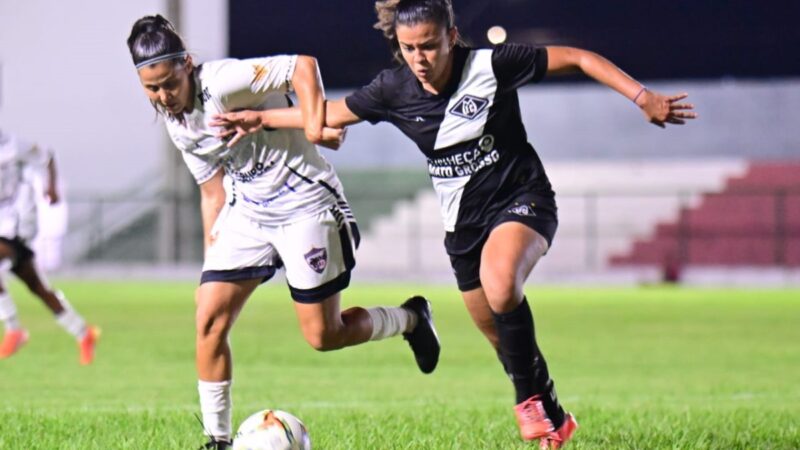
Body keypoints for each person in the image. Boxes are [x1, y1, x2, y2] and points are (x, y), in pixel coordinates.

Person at [211, 0, 698, 447]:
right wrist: (262, 117)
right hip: (462, 227)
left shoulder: (491, 65)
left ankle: (528, 406)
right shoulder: (393, 88)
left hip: (522, 199)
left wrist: (641, 97)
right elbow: (332, 112)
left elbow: (577, 56)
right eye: (408, 48)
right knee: (501, 339)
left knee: (501, 284)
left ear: (451, 36)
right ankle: (552, 412)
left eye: (428, 45)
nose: (419, 57)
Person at [126, 15, 440, 450]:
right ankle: (216, 440)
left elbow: (303, 67)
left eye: (169, 83)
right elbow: (211, 192)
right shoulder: (178, 124)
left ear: (187, 65)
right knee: (208, 319)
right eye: (151, 88)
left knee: (323, 336)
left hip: (305, 206)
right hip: (247, 213)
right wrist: (210, 264)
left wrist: (312, 126)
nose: (163, 95)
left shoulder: (223, 81)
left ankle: (410, 319)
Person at [0, 129, 100, 364]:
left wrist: (51, 187)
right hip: (2, 224)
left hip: (18, 223)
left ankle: (14, 329)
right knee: (38, 288)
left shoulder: (13, 144)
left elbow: (47, 156)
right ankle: (84, 333)